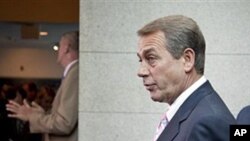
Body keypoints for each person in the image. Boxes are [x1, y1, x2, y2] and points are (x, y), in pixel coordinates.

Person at [136, 15, 236, 141]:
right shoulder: (189, 111)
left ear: (187, 60)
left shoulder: (208, 122)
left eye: (151, 58)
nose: (141, 71)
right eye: (140, 60)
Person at [6, 31, 79, 141]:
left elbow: (64, 124)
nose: (58, 50)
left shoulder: (74, 74)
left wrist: (33, 117)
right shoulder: (72, 73)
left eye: (59, 46)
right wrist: (42, 114)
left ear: (66, 48)